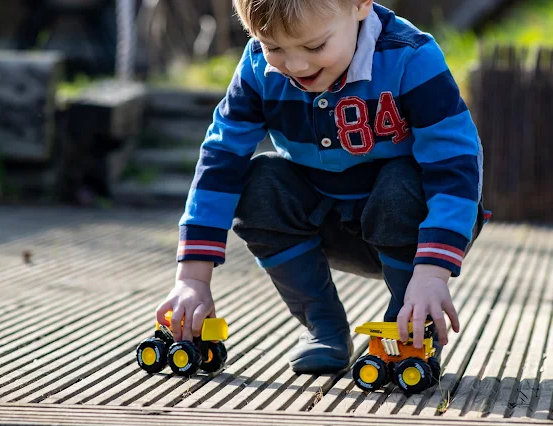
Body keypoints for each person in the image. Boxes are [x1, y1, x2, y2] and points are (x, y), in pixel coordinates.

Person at [155, 0, 488, 375]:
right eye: (274, 47)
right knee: (260, 182)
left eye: (314, 47)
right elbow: (221, 157)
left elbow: (455, 161)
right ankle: (324, 326)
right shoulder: (257, 68)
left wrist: (432, 273)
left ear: (360, 6)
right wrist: (192, 278)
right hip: (325, 220)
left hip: (414, 225)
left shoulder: (409, 57)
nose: (296, 66)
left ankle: (407, 330)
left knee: (401, 182)